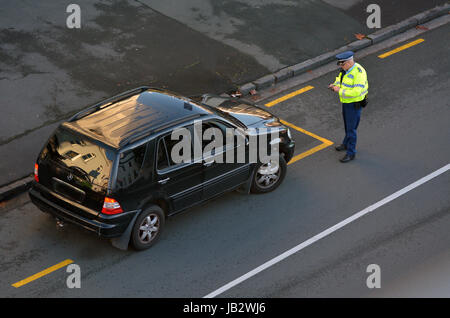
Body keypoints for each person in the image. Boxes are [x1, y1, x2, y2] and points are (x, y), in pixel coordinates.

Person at [328, 51, 368, 163]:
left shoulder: (359, 73)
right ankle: (346, 144)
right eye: (340, 64)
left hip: (354, 105)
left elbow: (357, 91)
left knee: (351, 129)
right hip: (346, 103)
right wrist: (335, 85)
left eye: (342, 64)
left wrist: (339, 90)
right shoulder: (345, 70)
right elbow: (339, 79)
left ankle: (351, 153)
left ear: (350, 62)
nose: (341, 66)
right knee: (347, 125)